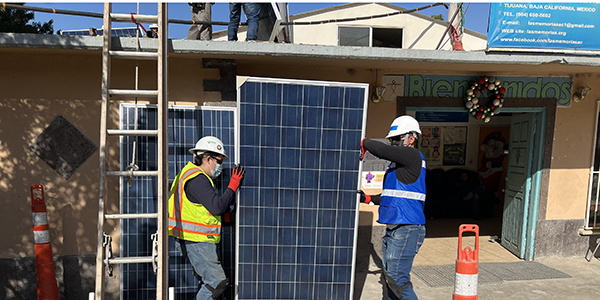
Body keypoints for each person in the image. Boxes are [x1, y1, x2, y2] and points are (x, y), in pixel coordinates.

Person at [168, 136, 245, 300]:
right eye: (219, 161)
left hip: (195, 239)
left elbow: (200, 210)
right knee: (216, 282)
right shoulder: (198, 179)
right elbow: (216, 206)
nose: (220, 166)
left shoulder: (189, 174)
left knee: (210, 284)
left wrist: (226, 218)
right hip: (197, 241)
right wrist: (233, 185)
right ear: (208, 158)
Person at [359, 115, 426, 300]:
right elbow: (393, 197)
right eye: (392, 139)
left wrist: (364, 141)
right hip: (396, 229)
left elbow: (381, 150)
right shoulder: (398, 166)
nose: (394, 143)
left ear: (411, 138)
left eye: (397, 139)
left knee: (398, 281)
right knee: (391, 279)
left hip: (406, 229)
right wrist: (369, 199)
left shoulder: (413, 156)